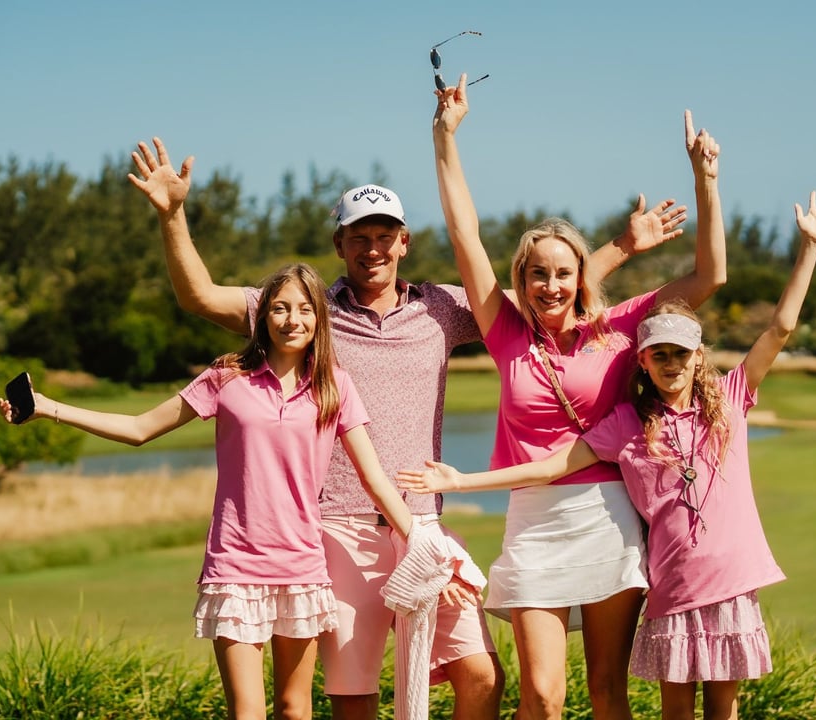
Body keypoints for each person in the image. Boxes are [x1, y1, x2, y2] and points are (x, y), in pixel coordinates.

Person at [126, 137, 684, 719]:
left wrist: (623, 246)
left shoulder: (442, 307)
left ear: (404, 242)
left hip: (422, 525)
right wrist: (172, 215)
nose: (373, 248)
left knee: (480, 677)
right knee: (355, 699)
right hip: (338, 528)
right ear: (339, 244)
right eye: (359, 237)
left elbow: (544, 293)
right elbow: (198, 296)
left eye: (384, 235)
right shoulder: (309, 312)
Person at [397, 191, 816, 720]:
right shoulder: (621, 419)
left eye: (680, 354)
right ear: (643, 360)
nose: (671, 363)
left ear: (697, 357)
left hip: (634, 542)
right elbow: (553, 465)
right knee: (547, 697)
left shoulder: (705, 388)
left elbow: (761, 315)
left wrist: (719, 187)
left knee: (631, 695)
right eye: (659, 354)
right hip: (597, 552)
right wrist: (460, 481)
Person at [431, 73, 727, 720]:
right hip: (532, 521)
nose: (551, 286)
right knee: (542, 695)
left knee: (606, 693)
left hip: (607, 516)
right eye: (538, 273)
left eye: (563, 273)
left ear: (580, 278)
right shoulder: (504, 331)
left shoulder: (620, 328)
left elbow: (710, 275)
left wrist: (705, 179)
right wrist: (445, 136)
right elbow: (464, 236)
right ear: (521, 278)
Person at [0, 263, 415, 720]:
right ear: (263, 316)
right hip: (235, 566)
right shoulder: (226, 378)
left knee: (295, 710)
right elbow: (139, 428)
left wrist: (419, 541)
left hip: (302, 567)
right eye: (279, 308)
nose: (291, 320)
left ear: (319, 317)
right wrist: (47, 407)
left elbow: (374, 480)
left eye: (303, 309)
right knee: (247, 713)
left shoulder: (333, 385)